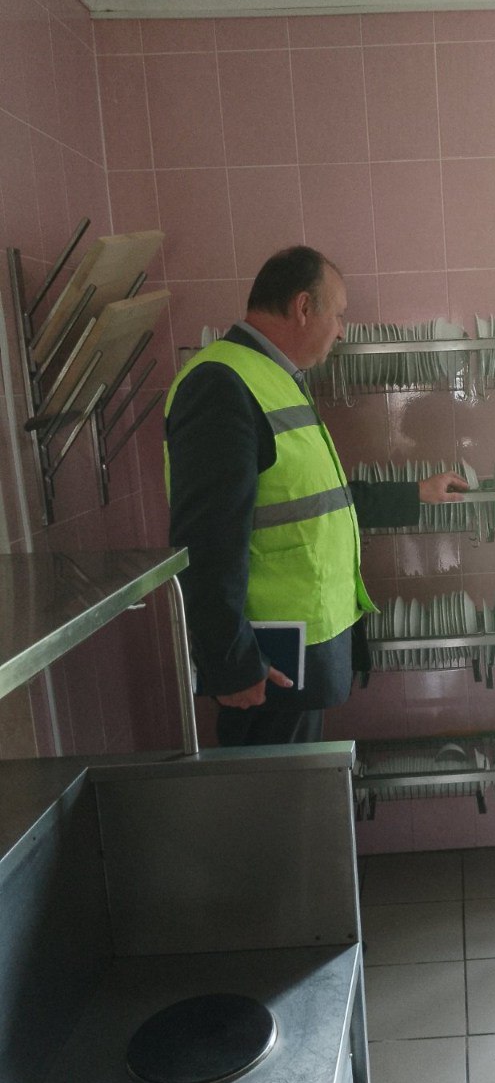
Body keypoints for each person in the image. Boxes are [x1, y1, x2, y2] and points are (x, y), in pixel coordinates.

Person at [164, 245, 468, 747]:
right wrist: (230, 663)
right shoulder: (221, 383)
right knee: (277, 792)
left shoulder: (274, 378)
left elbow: (320, 499)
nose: (343, 331)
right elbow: (206, 538)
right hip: (267, 659)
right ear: (304, 307)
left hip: (295, 651)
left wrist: (415, 493)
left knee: (298, 786)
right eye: (339, 314)